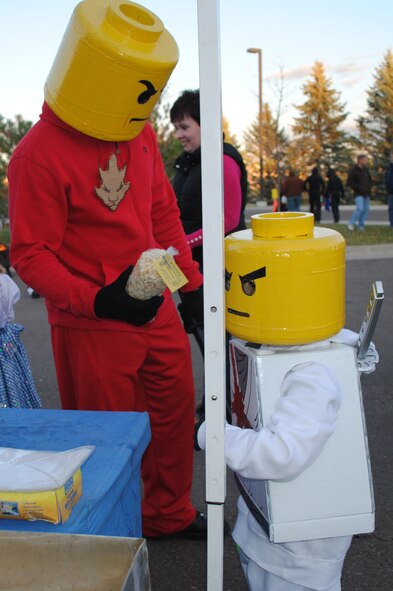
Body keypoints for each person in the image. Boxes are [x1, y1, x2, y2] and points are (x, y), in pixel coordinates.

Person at [7, 0, 207, 540]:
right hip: (93, 324)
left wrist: (190, 287)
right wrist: (98, 299)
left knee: (170, 416)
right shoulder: (35, 154)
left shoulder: (136, 130)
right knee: (109, 437)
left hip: (157, 308)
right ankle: (115, 530)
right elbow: (30, 255)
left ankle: (169, 513)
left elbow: (161, 211)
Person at [197, 212, 378, 590]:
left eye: (248, 287)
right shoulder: (272, 348)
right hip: (263, 528)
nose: (233, 295)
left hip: (299, 555)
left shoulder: (313, 373)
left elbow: (282, 454)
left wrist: (213, 435)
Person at [170, 89, 248, 420]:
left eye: (184, 126)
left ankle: (227, 409)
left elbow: (227, 222)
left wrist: (179, 245)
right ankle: (215, 398)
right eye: (176, 127)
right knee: (203, 337)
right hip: (189, 269)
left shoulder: (223, 160)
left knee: (221, 342)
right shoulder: (190, 163)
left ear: (205, 124)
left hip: (216, 272)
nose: (179, 134)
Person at [0, 273, 41, 409]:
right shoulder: (3, 282)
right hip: (4, 339)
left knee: (7, 382)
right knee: (12, 381)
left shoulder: (2, 283)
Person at [346, 154, 372, 231]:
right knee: (360, 208)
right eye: (365, 159)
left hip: (366, 193)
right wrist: (359, 188)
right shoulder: (353, 170)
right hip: (358, 193)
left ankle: (361, 225)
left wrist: (369, 188)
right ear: (360, 160)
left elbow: (369, 180)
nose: (366, 161)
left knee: (366, 209)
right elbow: (350, 183)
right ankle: (351, 223)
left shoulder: (366, 170)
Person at [385, 149, 393, 227]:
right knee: (391, 209)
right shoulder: (389, 167)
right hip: (391, 192)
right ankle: (392, 224)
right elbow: (387, 179)